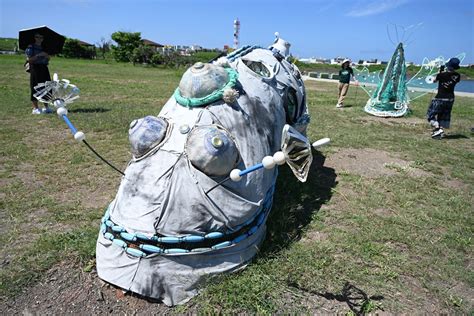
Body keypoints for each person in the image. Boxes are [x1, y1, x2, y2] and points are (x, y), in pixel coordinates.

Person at [426, 57, 461, 139]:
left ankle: (437, 127)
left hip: (440, 98)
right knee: (443, 115)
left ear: (448, 65)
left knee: (430, 114)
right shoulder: (457, 76)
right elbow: (451, 78)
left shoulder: (441, 75)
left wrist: (439, 73)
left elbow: (434, 80)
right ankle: (439, 132)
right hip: (450, 99)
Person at [25, 33, 52, 115]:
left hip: (44, 68)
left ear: (43, 38)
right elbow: (29, 60)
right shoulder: (30, 47)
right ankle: (35, 108)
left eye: (41, 37)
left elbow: (49, 58)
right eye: (37, 37)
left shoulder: (45, 47)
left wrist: (47, 56)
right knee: (35, 87)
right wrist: (39, 55)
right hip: (35, 68)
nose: (39, 38)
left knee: (47, 86)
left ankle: (46, 107)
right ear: (34, 38)